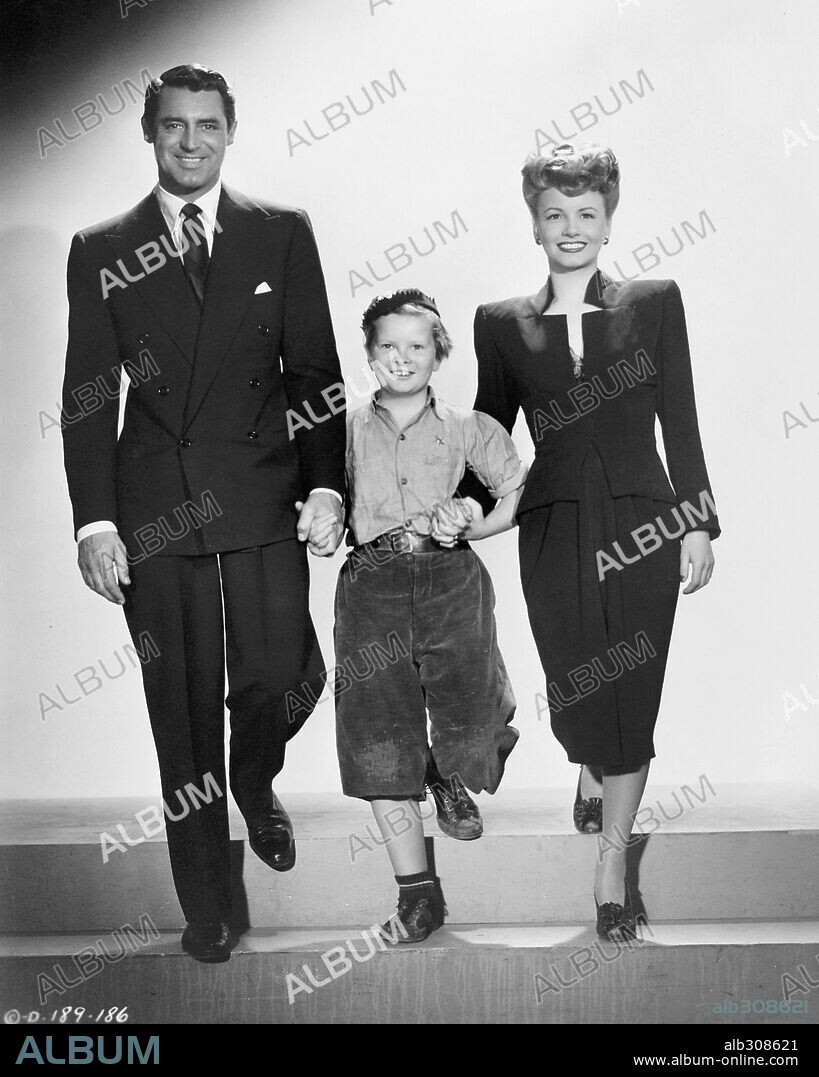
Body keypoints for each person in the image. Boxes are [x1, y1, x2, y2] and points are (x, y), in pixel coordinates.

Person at [61, 64, 345, 963]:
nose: (191, 142)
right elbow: (85, 397)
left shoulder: (281, 233)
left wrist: (327, 485)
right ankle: (209, 902)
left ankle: (255, 782)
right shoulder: (102, 245)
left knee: (278, 675)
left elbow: (315, 375)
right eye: (174, 126)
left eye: (207, 126)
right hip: (155, 507)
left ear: (232, 131)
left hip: (263, 494)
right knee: (179, 715)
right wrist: (94, 522)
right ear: (149, 132)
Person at [452, 143, 719, 940]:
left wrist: (697, 518)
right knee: (576, 679)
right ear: (533, 224)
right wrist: (453, 512)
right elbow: (489, 431)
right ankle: (587, 759)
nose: (570, 228)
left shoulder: (655, 300)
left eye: (586, 214)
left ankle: (610, 867)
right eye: (554, 214)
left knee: (631, 687)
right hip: (554, 522)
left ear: (609, 219)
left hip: (644, 516)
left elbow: (682, 414)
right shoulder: (500, 324)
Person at [310, 288, 525, 942]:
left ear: (438, 354)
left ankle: (445, 769)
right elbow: (323, 495)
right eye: (387, 345)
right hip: (370, 584)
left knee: (478, 718)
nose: (402, 357)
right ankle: (418, 894)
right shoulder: (338, 430)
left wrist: (476, 519)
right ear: (369, 353)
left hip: (449, 581)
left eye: (417, 345)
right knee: (377, 734)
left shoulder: (468, 427)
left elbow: (515, 489)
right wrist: (327, 521)